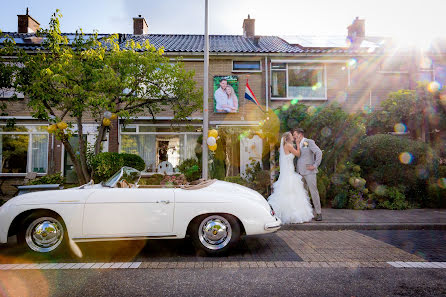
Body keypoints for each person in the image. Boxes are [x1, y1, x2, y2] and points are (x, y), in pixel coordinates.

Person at [267, 132, 314, 224]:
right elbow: (298, 154)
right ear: (288, 138)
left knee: (286, 191)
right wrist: (297, 144)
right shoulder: (288, 145)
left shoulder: (283, 146)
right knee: (292, 191)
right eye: (291, 136)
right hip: (289, 171)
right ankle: (292, 214)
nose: (293, 137)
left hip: (286, 171)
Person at [291, 128, 323, 221]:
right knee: (303, 194)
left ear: (300, 134)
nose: (293, 136)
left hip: (309, 172)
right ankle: (307, 213)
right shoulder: (297, 144)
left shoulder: (308, 142)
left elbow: (318, 152)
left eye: (295, 134)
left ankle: (319, 213)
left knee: (313, 192)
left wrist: (315, 165)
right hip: (300, 173)